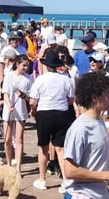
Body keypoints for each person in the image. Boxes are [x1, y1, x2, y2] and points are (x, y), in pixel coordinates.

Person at [63, 71, 109, 199]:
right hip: (82, 194)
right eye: (108, 93)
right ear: (94, 97)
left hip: (99, 194)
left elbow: (93, 159)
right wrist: (107, 175)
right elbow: (70, 171)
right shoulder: (80, 128)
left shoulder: (100, 121)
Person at [29, 50, 75, 190]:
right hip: (62, 113)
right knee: (61, 149)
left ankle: (42, 179)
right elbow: (71, 100)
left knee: (43, 148)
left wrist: (33, 111)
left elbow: (32, 101)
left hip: (44, 113)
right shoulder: (66, 79)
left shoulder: (41, 79)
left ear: (47, 65)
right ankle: (66, 180)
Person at [2, 54, 32, 173]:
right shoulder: (9, 76)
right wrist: (9, 105)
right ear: (17, 64)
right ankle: (9, 164)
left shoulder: (28, 78)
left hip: (21, 110)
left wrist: (23, 95)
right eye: (23, 65)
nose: (25, 68)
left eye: (27, 66)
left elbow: (31, 98)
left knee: (19, 139)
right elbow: (5, 93)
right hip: (9, 110)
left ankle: (18, 167)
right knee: (7, 139)